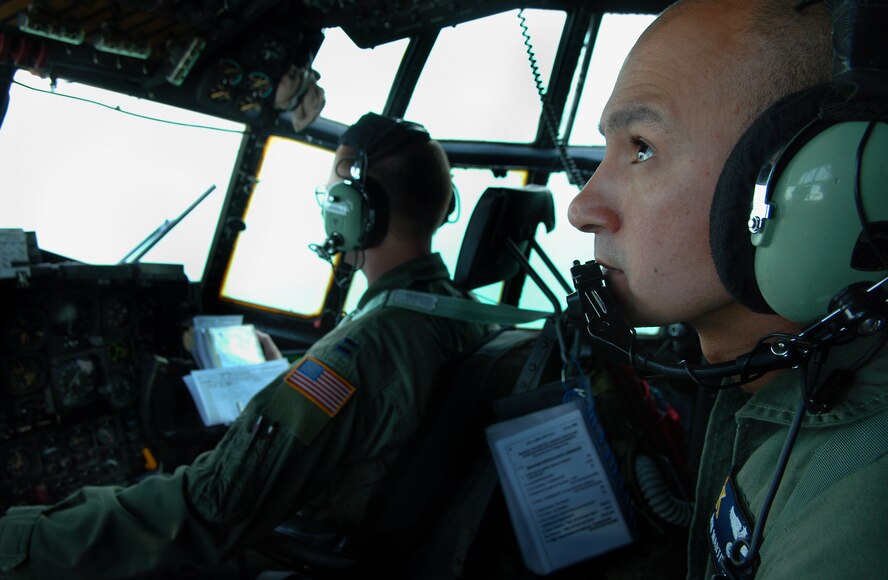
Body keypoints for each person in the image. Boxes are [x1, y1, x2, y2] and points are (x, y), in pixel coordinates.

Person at [0, 113, 492, 578]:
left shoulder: (365, 348)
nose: (329, 211)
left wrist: (20, 538)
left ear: (357, 209)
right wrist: (289, 378)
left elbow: (212, 505)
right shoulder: (462, 316)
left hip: (304, 546)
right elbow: (376, 401)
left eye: (333, 197)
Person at [567, 0, 887, 578]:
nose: (582, 208)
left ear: (794, 177)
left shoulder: (854, 515)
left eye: (641, 147)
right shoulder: (767, 386)